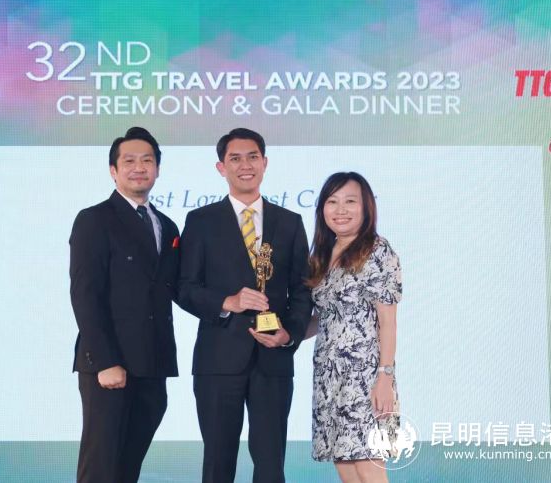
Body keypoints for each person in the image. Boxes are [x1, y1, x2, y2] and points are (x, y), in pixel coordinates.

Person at [178, 128, 312, 483]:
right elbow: (184, 287)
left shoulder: (290, 222)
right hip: (218, 360)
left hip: (273, 360)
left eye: (252, 157)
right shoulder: (201, 221)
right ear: (221, 167)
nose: (245, 165)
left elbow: (303, 291)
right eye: (235, 159)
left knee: (271, 465)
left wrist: (289, 334)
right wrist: (227, 302)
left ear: (265, 163)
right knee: (218, 463)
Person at [69, 127, 180, 483]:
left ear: (157, 169)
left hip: (153, 365)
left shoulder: (167, 225)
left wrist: (228, 302)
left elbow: (176, 288)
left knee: (127, 469)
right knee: (100, 468)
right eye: (129, 161)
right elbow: (85, 294)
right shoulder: (94, 219)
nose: (139, 168)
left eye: (147, 160)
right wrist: (106, 361)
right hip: (110, 365)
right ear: (113, 170)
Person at [305, 172, 402, 483]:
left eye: (350, 201)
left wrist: (385, 377)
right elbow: (325, 318)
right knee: (345, 466)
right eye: (332, 202)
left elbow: (388, 321)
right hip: (328, 374)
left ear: (366, 207)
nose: (340, 210)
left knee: (368, 464)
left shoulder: (377, 250)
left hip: (365, 375)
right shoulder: (321, 255)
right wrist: (283, 333)